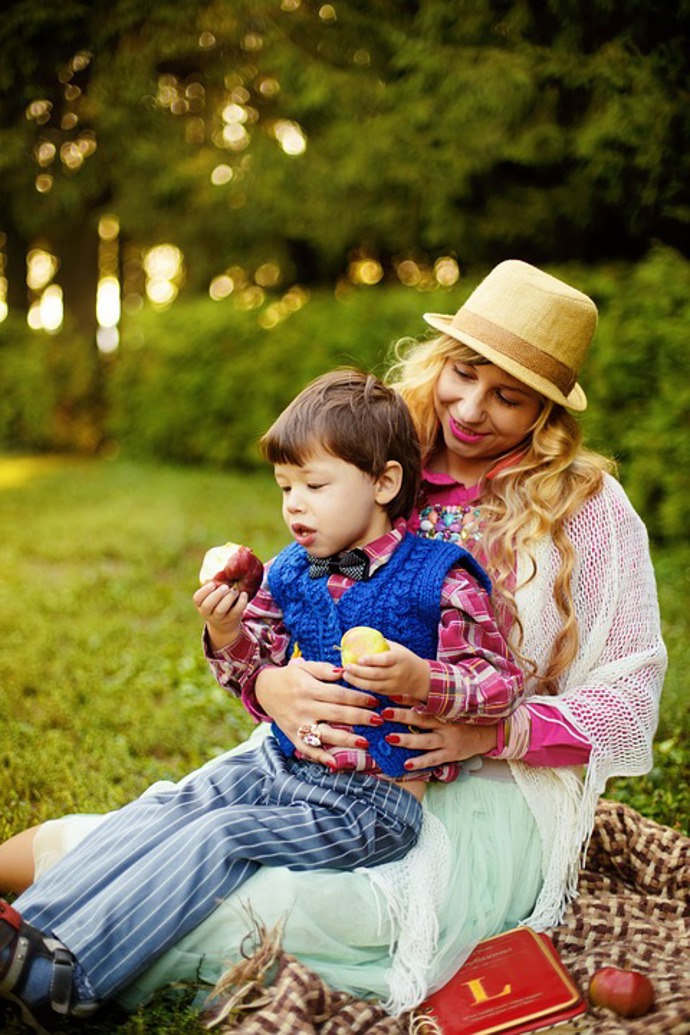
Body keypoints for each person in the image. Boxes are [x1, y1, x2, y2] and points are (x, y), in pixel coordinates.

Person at [0, 260, 666, 1024]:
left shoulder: (585, 504)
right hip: (317, 754)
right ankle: (33, 933)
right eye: (462, 374)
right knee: (168, 818)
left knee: (262, 892)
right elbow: (303, 602)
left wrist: (486, 728)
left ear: (548, 410)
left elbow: (627, 698)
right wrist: (271, 685)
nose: (472, 408)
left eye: (509, 396)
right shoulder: (388, 444)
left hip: (476, 789)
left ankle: (64, 960)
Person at [0, 370, 524, 1033]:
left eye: (315, 485)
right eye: (285, 488)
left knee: (222, 832)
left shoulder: (438, 575)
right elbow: (256, 671)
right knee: (169, 802)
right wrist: (226, 629)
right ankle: (28, 932)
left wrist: (425, 681)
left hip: (372, 802)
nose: (294, 506)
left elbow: (499, 683)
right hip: (282, 764)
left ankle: (66, 985)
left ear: (385, 484)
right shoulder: (287, 570)